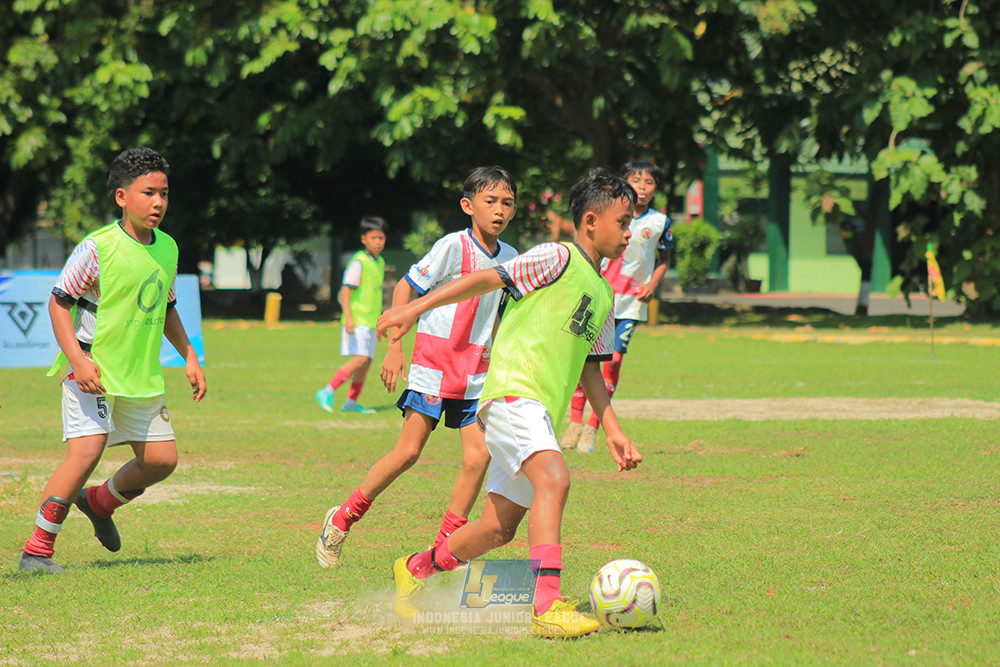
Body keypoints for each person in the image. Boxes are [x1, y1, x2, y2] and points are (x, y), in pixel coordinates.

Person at [376, 168, 643, 638]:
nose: (629, 233)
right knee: (555, 479)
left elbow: (590, 367)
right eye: (623, 223)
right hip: (511, 396)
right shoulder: (555, 258)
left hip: (538, 410)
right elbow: (486, 279)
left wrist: (614, 428)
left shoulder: (603, 293)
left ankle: (416, 568)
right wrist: (412, 309)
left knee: (499, 529)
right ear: (589, 220)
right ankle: (547, 606)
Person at [315, 167, 519, 568]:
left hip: (476, 371)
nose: (499, 210)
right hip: (433, 363)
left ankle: (444, 552)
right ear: (468, 205)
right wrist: (395, 347)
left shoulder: (511, 258)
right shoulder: (451, 247)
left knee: (478, 459)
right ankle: (342, 518)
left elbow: (501, 313)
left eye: (507, 203)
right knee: (408, 452)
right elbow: (407, 288)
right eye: (490, 201)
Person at [18, 147, 207, 574]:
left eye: (164, 194)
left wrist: (190, 356)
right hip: (93, 369)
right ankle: (37, 550)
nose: (158, 202)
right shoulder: (98, 247)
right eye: (148, 193)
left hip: (139, 373)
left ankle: (99, 503)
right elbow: (58, 303)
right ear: (122, 196)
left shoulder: (168, 248)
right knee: (86, 453)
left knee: (162, 461)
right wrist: (79, 362)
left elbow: (167, 306)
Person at [562, 159, 673, 453]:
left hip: (630, 303)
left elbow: (665, 260)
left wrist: (652, 284)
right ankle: (573, 422)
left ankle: (593, 427)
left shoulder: (658, 223)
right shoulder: (605, 214)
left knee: (610, 362)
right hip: (598, 297)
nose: (643, 187)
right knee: (582, 359)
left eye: (649, 182)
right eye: (637, 181)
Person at [315, 216, 388, 415]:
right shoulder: (359, 262)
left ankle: (351, 403)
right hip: (358, 320)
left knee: (367, 362)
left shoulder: (379, 262)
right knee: (360, 358)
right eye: (374, 238)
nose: (378, 242)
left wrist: (381, 321)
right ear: (364, 238)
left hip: (371, 321)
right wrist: (347, 316)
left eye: (381, 238)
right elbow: (346, 290)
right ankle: (327, 391)